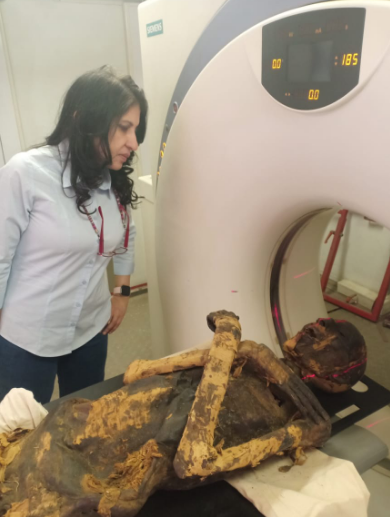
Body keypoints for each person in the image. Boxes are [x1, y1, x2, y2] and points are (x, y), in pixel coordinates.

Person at [0, 66, 148, 404]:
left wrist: (122, 292)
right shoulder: (25, 174)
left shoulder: (112, 180)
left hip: (90, 330)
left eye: (136, 130)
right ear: (85, 121)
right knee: (20, 435)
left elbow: (127, 234)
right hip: (27, 337)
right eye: (124, 128)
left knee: (81, 421)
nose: (134, 143)